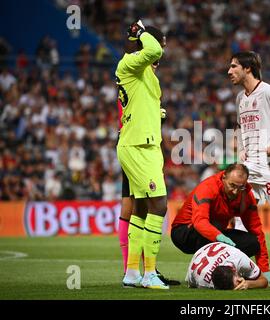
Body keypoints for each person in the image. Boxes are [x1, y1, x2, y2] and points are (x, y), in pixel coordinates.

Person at [116, 20, 168, 289]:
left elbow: (142, 102)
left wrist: (155, 115)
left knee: (141, 209)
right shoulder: (129, 63)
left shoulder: (145, 74)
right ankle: (150, 274)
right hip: (138, 147)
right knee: (160, 205)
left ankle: (133, 273)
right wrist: (145, 33)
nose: (161, 54)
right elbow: (152, 52)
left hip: (146, 145)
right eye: (162, 44)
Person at [171, 163, 270, 286]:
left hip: (215, 233)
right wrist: (219, 237)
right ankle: (205, 270)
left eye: (240, 187)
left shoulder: (246, 195)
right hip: (184, 232)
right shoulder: (207, 188)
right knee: (214, 227)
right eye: (232, 185)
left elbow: (256, 230)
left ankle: (222, 272)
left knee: (253, 243)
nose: (235, 191)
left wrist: (264, 269)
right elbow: (200, 221)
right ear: (223, 177)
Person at [227, 51, 270, 229]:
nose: (229, 71)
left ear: (247, 68)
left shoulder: (269, 92)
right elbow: (240, 126)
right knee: (236, 208)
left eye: (234, 66)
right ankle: (239, 254)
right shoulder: (239, 99)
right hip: (249, 163)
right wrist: (241, 147)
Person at [186, 242, 268, 290]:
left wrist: (249, 284)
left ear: (234, 269)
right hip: (194, 263)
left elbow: (264, 281)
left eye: (238, 281)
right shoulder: (204, 282)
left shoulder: (239, 258)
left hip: (215, 247)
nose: (239, 282)